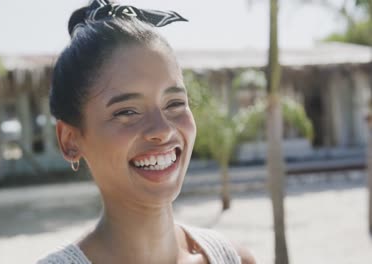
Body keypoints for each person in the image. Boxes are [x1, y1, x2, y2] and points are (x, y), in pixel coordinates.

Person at [38, 1, 256, 263]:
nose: (162, 130)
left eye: (174, 103)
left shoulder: (232, 258)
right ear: (69, 140)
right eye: (127, 112)